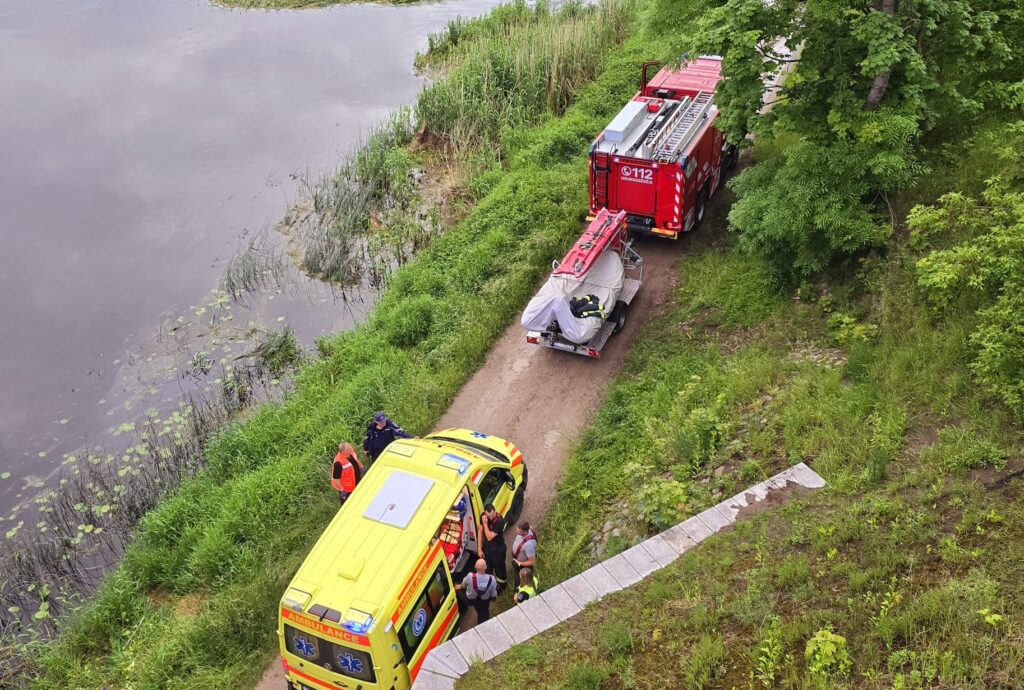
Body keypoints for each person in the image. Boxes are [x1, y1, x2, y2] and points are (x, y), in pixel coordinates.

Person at [455, 558, 497, 623]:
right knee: (483, 614)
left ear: (475, 567)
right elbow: (493, 594)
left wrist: (459, 587)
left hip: (471, 600)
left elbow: (463, 585)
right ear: (486, 567)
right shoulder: (492, 579)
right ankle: (483, 623)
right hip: (484, 601)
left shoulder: (469, 576)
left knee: (458, 589)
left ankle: (463, 608)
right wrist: (493, 598)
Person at [480, 503, 507, 592]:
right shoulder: (484, 516)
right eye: (489, 516)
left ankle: (502, 586)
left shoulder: (500, 521)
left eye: (492, 515)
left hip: (498, 550)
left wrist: (485, 523)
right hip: (487, 549)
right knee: (487, 569)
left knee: (500, 569)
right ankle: (490, 584)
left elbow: (489, 537)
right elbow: (480, 531)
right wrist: (479, 549)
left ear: (495, 511)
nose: (491, 518)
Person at [511, 521, 537, 587]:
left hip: (522, 565)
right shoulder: (528, 528)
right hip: (517, 559)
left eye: (519, 531)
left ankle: (518, 589)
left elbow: (532, 562)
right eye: (517, 529)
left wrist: (519, 563)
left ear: (525, 532)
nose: (516, 531)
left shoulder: (529, 545)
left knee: (518, 580)